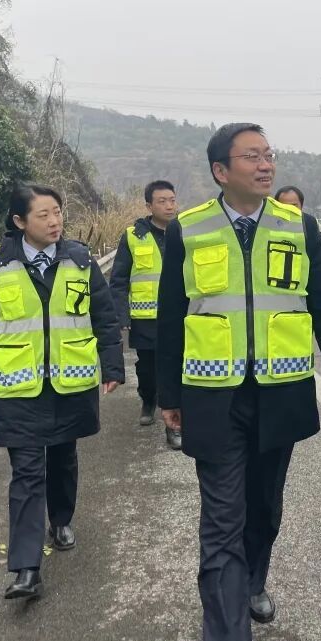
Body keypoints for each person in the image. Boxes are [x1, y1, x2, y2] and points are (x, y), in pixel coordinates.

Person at [157, 123, 321, 641]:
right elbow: (171, 315)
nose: (266, 164)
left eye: (269, 155)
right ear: (221, 170)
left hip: (280, 393)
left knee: (263, 508)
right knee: (222, 518)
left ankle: (253, 581)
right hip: (213, 396)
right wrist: (169, 394)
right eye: (252, 156)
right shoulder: (190, 228)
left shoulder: (299, 226)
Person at [0, 183, 124, 599]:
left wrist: (113, 366)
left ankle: (61, 519)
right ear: (19, 221)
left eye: (58, 212)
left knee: (63, 458)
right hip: (18, 387)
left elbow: (104, 317)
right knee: (27, 472)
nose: (54, 221)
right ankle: (26, 568)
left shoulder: (80, 259)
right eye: (43, 214)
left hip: (69, 382)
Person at [109, 179, 181, 448]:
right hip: (146, 318)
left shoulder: (185, 232)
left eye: (172, 200)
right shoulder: (133, 236)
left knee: (174, 368)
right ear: (149, 206)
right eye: (162, 201)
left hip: (178, 317)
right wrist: (122, 316)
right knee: (149, 369)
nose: (169, 206)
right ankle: (148, 398)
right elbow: (119, 279)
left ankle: (174, 425)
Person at [274, 185, 321, 290]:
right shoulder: (267, 229)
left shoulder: (315, 229)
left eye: (294, 206)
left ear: (301, 206)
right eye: (284, 206)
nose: (290, 210)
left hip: (311, 292)